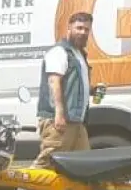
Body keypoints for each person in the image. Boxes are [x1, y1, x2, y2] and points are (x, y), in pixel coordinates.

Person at [36, 11, 94, 167]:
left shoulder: (80, 54)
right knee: (48, 163)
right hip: (60, 121)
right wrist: (59, 114)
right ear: (69, 28)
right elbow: (54, 82)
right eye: (79, 28)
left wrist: (93, 90)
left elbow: (74, 86)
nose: (83, 32)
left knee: (83, 165)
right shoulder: (59, 51)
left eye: (86, 29)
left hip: (77, 122)